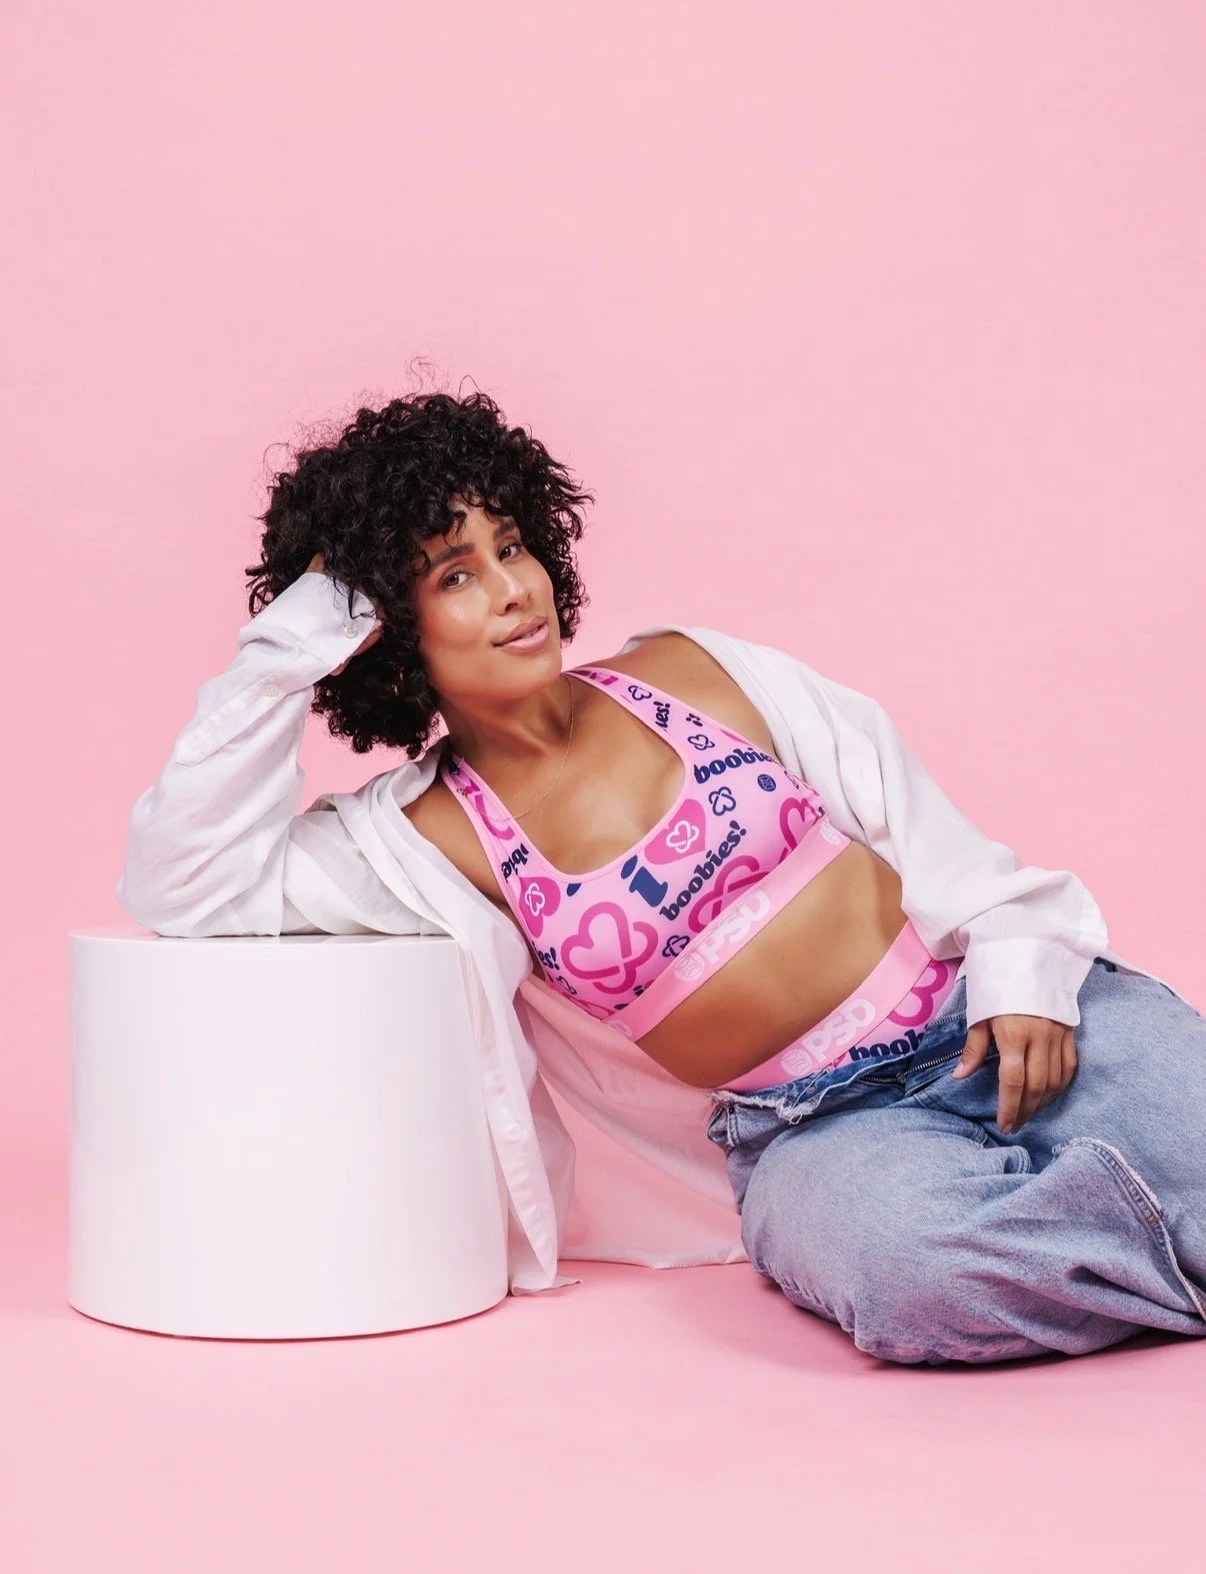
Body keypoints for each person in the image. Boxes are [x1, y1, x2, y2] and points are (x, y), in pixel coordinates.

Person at [119, 388, 1206, 1365]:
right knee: (910, 1279)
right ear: (392, 634)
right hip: (822, 1133)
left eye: (511, 545)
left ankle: (1109, 1223)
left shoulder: (695, 670)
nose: (513, 589)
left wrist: (1023, 969)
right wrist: (288, 645)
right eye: (455, 574)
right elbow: (187, 880)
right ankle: (1166, 1232)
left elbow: (922, 820)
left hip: (990, 1013)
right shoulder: (422, 839)